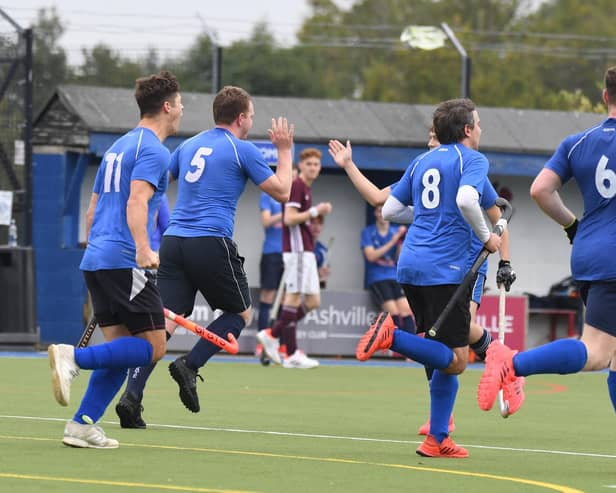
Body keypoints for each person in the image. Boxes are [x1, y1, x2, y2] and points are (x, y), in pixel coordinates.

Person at [329, 128, 518, 437]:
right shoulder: (424, 167)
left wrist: (506, 261)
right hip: (439, 265)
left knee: (454, 334)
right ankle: (482, 375)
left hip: (465, 262)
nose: (431, 140)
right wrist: (349, 165)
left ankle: (496, 362)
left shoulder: (464, 167)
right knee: (440, 343)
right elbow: (380, 200)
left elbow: (499, 219)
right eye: (429, 136)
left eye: (433, 135)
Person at [118, 86, 294, 418]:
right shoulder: (243, 149)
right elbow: (283, 191)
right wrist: (284, 151)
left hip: (173, 243)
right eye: (251, 116)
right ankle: (190, 364)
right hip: (210, 242)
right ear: (241, 118)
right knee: (239, 314)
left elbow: (156, 184)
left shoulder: (188, 145)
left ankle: (132, 398)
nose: (252, 121)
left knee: (163, 325)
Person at [47, 71, 184, 447]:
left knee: (121, 353)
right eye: (181, 103)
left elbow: (91, 211)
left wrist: (101, 252)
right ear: (168, 106)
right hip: (125, 261)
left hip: (98, 259)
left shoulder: (116, 147)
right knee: (154, 347)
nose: (183, 110)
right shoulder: (155, 151)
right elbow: (137, 201)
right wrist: (142, 248)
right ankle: (72, 357)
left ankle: (81, 425)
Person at [477, 66, 616, 417]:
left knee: (611, 354)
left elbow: (540, 190)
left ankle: (512, 362)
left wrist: (572, 225)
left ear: (605, 97)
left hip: (590, 253)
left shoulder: (578, 143)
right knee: (597, 351)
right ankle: (512, 363)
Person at [257, 148, 332, 369]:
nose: (313, 168)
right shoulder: (297, 186)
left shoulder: (305, 188)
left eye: (316, 165)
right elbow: (289, 218)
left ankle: (273, 334)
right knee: (293, 298)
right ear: (300, 166)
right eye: (309, 164)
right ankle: (290, 352)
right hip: (298, 251)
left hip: (306, 251)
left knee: (312, 302)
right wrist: (315, 211)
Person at [115, 192, 170, 428]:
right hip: (147, 271)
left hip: (119, 269)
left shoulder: (117, 195)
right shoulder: (157, 193)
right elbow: (167, 229)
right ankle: (131, 397)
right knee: (149, 340)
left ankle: (131, 397)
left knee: (130, 338)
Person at [361, 205, 415, 336]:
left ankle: (411, 348)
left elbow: (399, 258)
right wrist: (393, 241)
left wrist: (402, 241)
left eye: (385, 211)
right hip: (377, 277)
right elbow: (371, 256)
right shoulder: (368, 232)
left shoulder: (396, 231)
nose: (382, 215)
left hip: (394, 276)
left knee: (406, 311)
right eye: (379, 211)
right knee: (394, 312)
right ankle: (398, 348)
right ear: (375, 213)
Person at [256, 191, 284, 336]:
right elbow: (266, 221)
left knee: (286, 300)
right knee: (268, 295)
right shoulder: (268, 195)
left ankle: (282, 344)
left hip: (289, 254)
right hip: (271, 253)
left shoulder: (297, 195)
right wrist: (286, 213)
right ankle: (262, 339)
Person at [311, 215, 331, 289]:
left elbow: (323, 279)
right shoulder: (300, 246)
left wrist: (324, 273)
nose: (316, 227)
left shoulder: (323, 250)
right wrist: (317, 272)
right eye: (313, 223)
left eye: (319, 224)